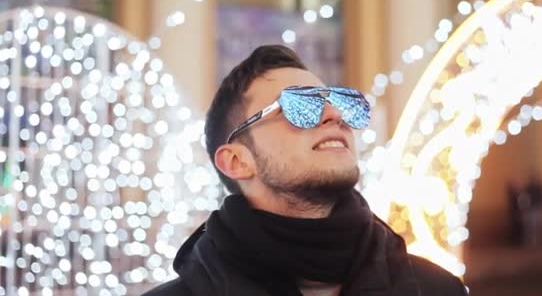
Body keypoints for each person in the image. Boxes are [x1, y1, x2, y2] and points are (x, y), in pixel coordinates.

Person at [143, 45, 468, 296]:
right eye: (300, 106)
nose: (334, 115)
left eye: (338, 101)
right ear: (237, 161)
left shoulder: (438, 289)